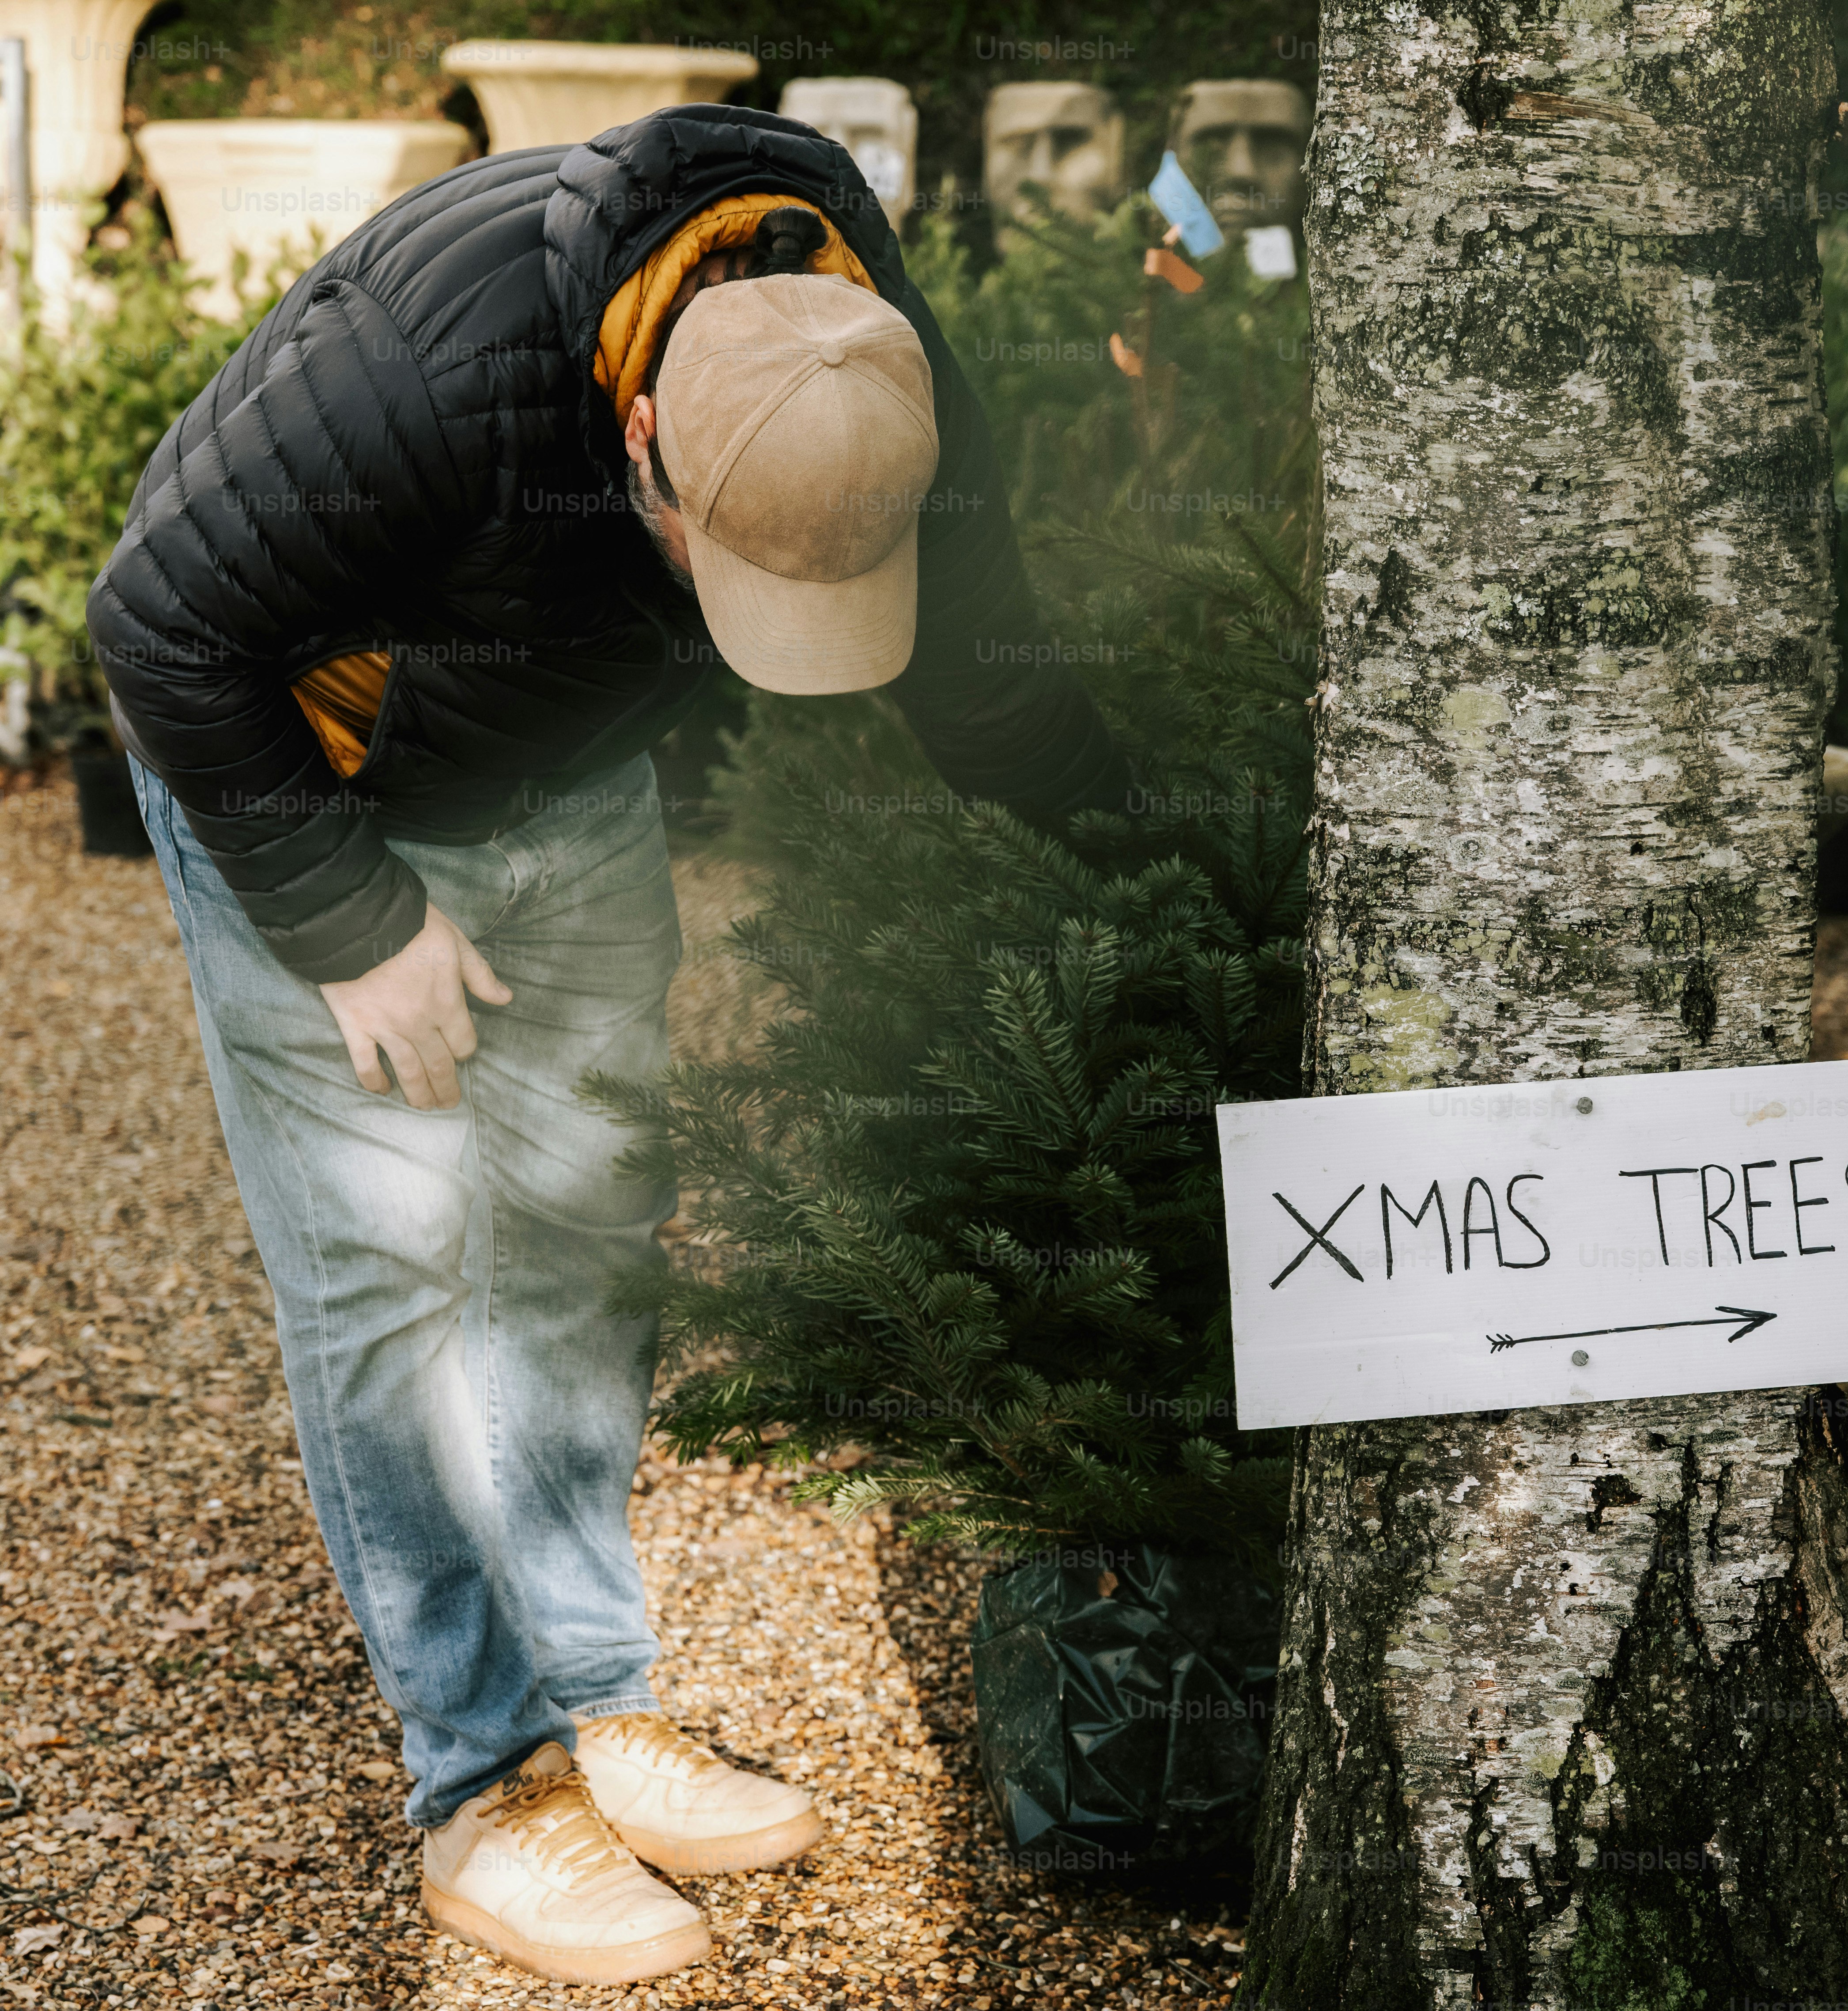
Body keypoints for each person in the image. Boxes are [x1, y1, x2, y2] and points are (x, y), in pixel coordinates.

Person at [85, 105, 1125, 1986]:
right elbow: (156, 630)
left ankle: (594, 1694)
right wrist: (352, 922)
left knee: (579, 1242)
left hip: (568, 771)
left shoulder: (861, 369)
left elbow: (985, 675)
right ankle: (486, 1790)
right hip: (325, 790)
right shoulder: (431, 372)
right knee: (389, 1288)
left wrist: (1162, 887)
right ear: (638, 437)